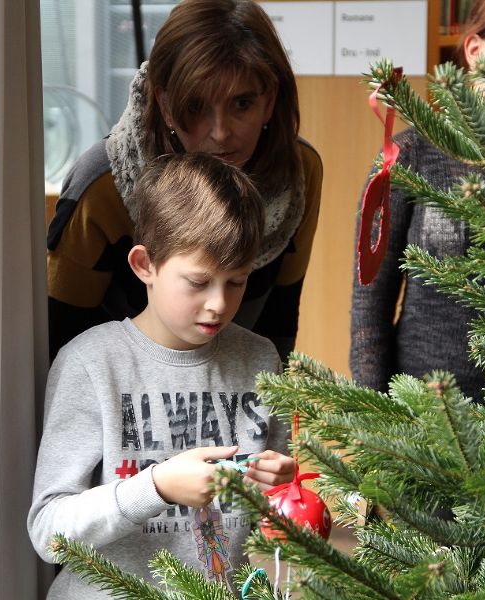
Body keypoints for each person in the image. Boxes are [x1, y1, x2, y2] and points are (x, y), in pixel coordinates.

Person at [28, 153, 296, 598]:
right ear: (144, 265)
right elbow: (48, 531)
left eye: (237, 282)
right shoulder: (92, 363)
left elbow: (269, 525)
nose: (219, 304)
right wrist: (155, 488)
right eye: (198, 282)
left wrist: (281, 494)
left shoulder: (260, 359)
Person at [46, 0, 322, 362]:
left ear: (269, 101)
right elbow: (60, 343)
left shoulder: (299, 173)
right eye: (196, 106)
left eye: (242, 104)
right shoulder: (101, 185)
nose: (221, 133)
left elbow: (280, 320)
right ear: (165, 104)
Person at [349, 0, 485, 403]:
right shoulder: (410, 154)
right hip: (428, 414)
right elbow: (369, 303)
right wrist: (376, 418)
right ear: (474, 50)